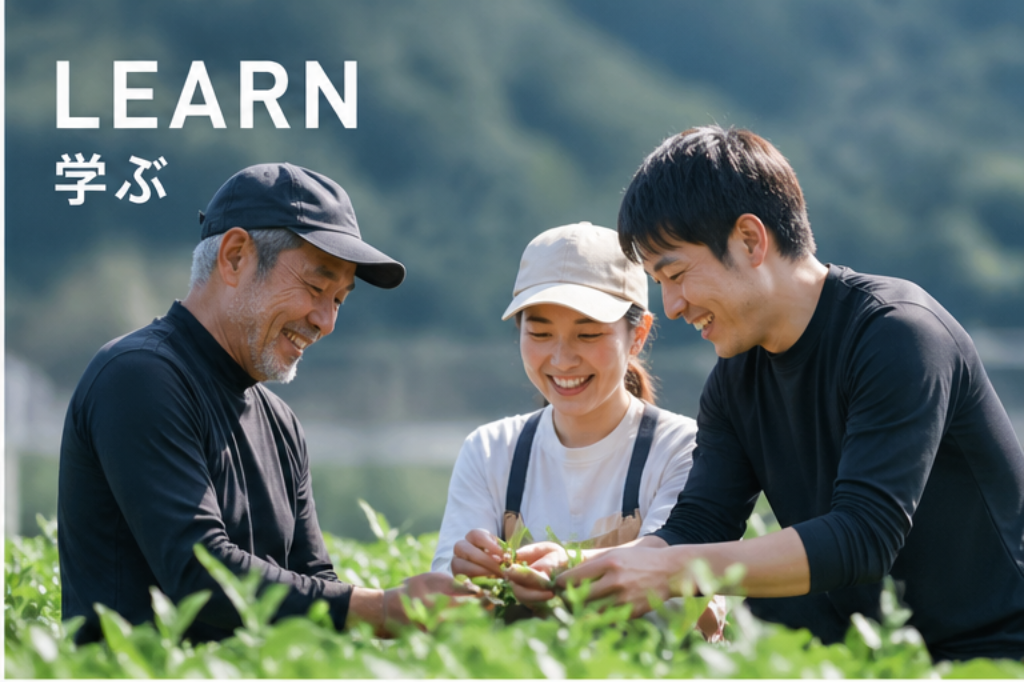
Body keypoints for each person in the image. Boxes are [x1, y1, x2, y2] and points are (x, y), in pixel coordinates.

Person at [508, 126, 1024, 662]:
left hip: (990, 656)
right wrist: (577, 568)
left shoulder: (898, 336)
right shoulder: (734, 376)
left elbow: (864, 537)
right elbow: (698, 525)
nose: (673, 305)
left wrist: (671, 569)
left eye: (676, 274)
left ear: (750, 240)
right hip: (853, 659)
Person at [58, 163, 471, 644]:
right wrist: (380, 608)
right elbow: (199, 570)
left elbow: (316, 581)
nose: (325, 321)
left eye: (339, 299)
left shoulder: (280, 423)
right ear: (235, 257)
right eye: (316, 288)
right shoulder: (139, 376)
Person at [431, 222, 723, 638]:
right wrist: (468, 573)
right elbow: (443, 608)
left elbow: (678, 595)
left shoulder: (683, 448)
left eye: (588, 334)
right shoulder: (490, 450)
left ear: (638, 335)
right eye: (540, 333)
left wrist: (564, 568)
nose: (562, 359)